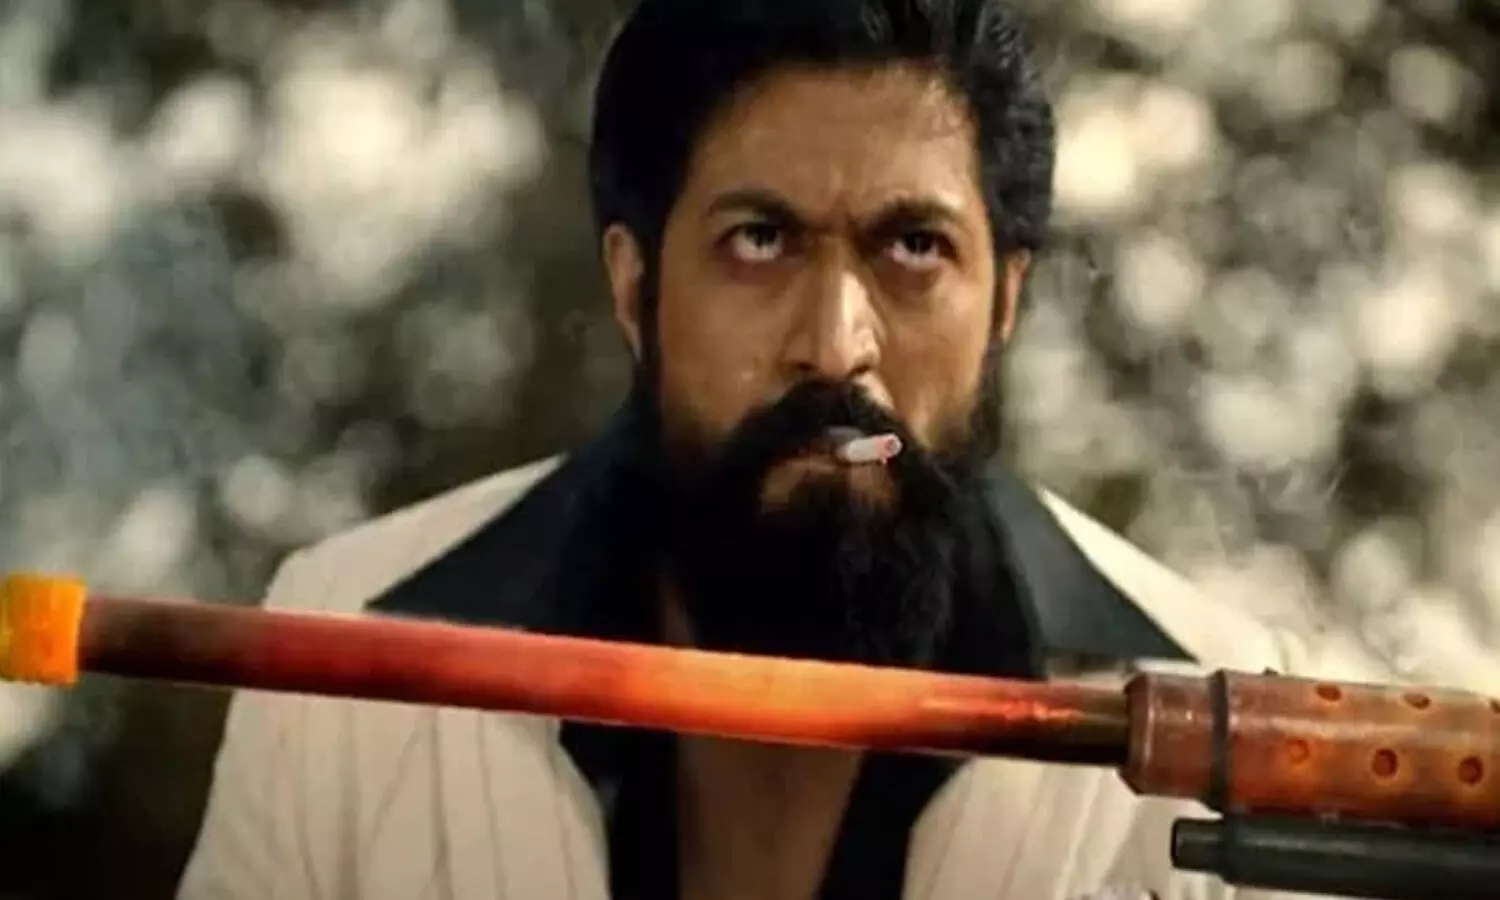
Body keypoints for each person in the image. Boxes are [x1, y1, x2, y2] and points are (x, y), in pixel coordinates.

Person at [177, 1, 1391, 898]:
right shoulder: (338, 656)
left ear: (1006, 301)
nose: (836, 345)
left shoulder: (1239, 719)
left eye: (914, 248)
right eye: (760, 241)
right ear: (635, 287)